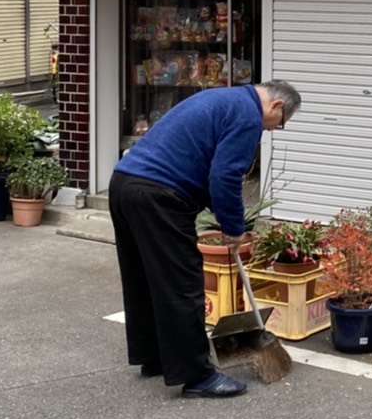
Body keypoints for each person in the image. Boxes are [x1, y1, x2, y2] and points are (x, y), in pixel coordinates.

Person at [109, 79, 301, 398]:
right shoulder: (248, 115)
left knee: (144, 279)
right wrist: (235, 227)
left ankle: (153, 356)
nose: (271, 130)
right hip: (159, 196)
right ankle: (197, 375)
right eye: (279, 124)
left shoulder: (227, 98)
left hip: (126, 185)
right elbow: (225, 175)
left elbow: (208, 167)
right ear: (276, 106)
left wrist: (226, 221)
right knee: (182, 284)